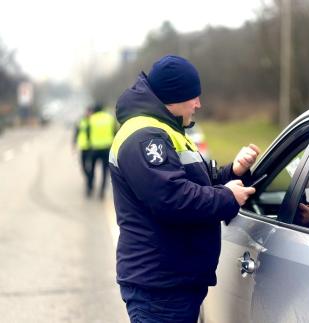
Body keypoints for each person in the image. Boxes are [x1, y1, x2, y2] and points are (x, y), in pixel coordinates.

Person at [109, 55, 260, 322]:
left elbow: (193, 183)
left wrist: (233, 171)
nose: (199, 104)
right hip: (160, 287)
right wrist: (227, 197)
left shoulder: (167, 130)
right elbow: (171, 198)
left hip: (172, 281)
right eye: (194, 96)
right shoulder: (145, 136)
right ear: (174, 96)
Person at [87, 103, 116, 199]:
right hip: (107, 149)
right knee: (105, 171)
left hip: (94, 149)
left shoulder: (91, 119)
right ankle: (102, 191)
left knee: (91, 169)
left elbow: (88, 133)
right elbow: (114, 132)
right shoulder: (110, 118)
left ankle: (90, 187)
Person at [73, 106, 92, 196]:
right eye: (87, 112)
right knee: (83, 167)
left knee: (91, 167)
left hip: (92, 148)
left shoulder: (93, 121)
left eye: (89, 112)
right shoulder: (81, 121)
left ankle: (89, 185)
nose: (88, 114)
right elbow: (76, 133)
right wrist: (74, 143)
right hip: (83, 147)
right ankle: (89, 178)